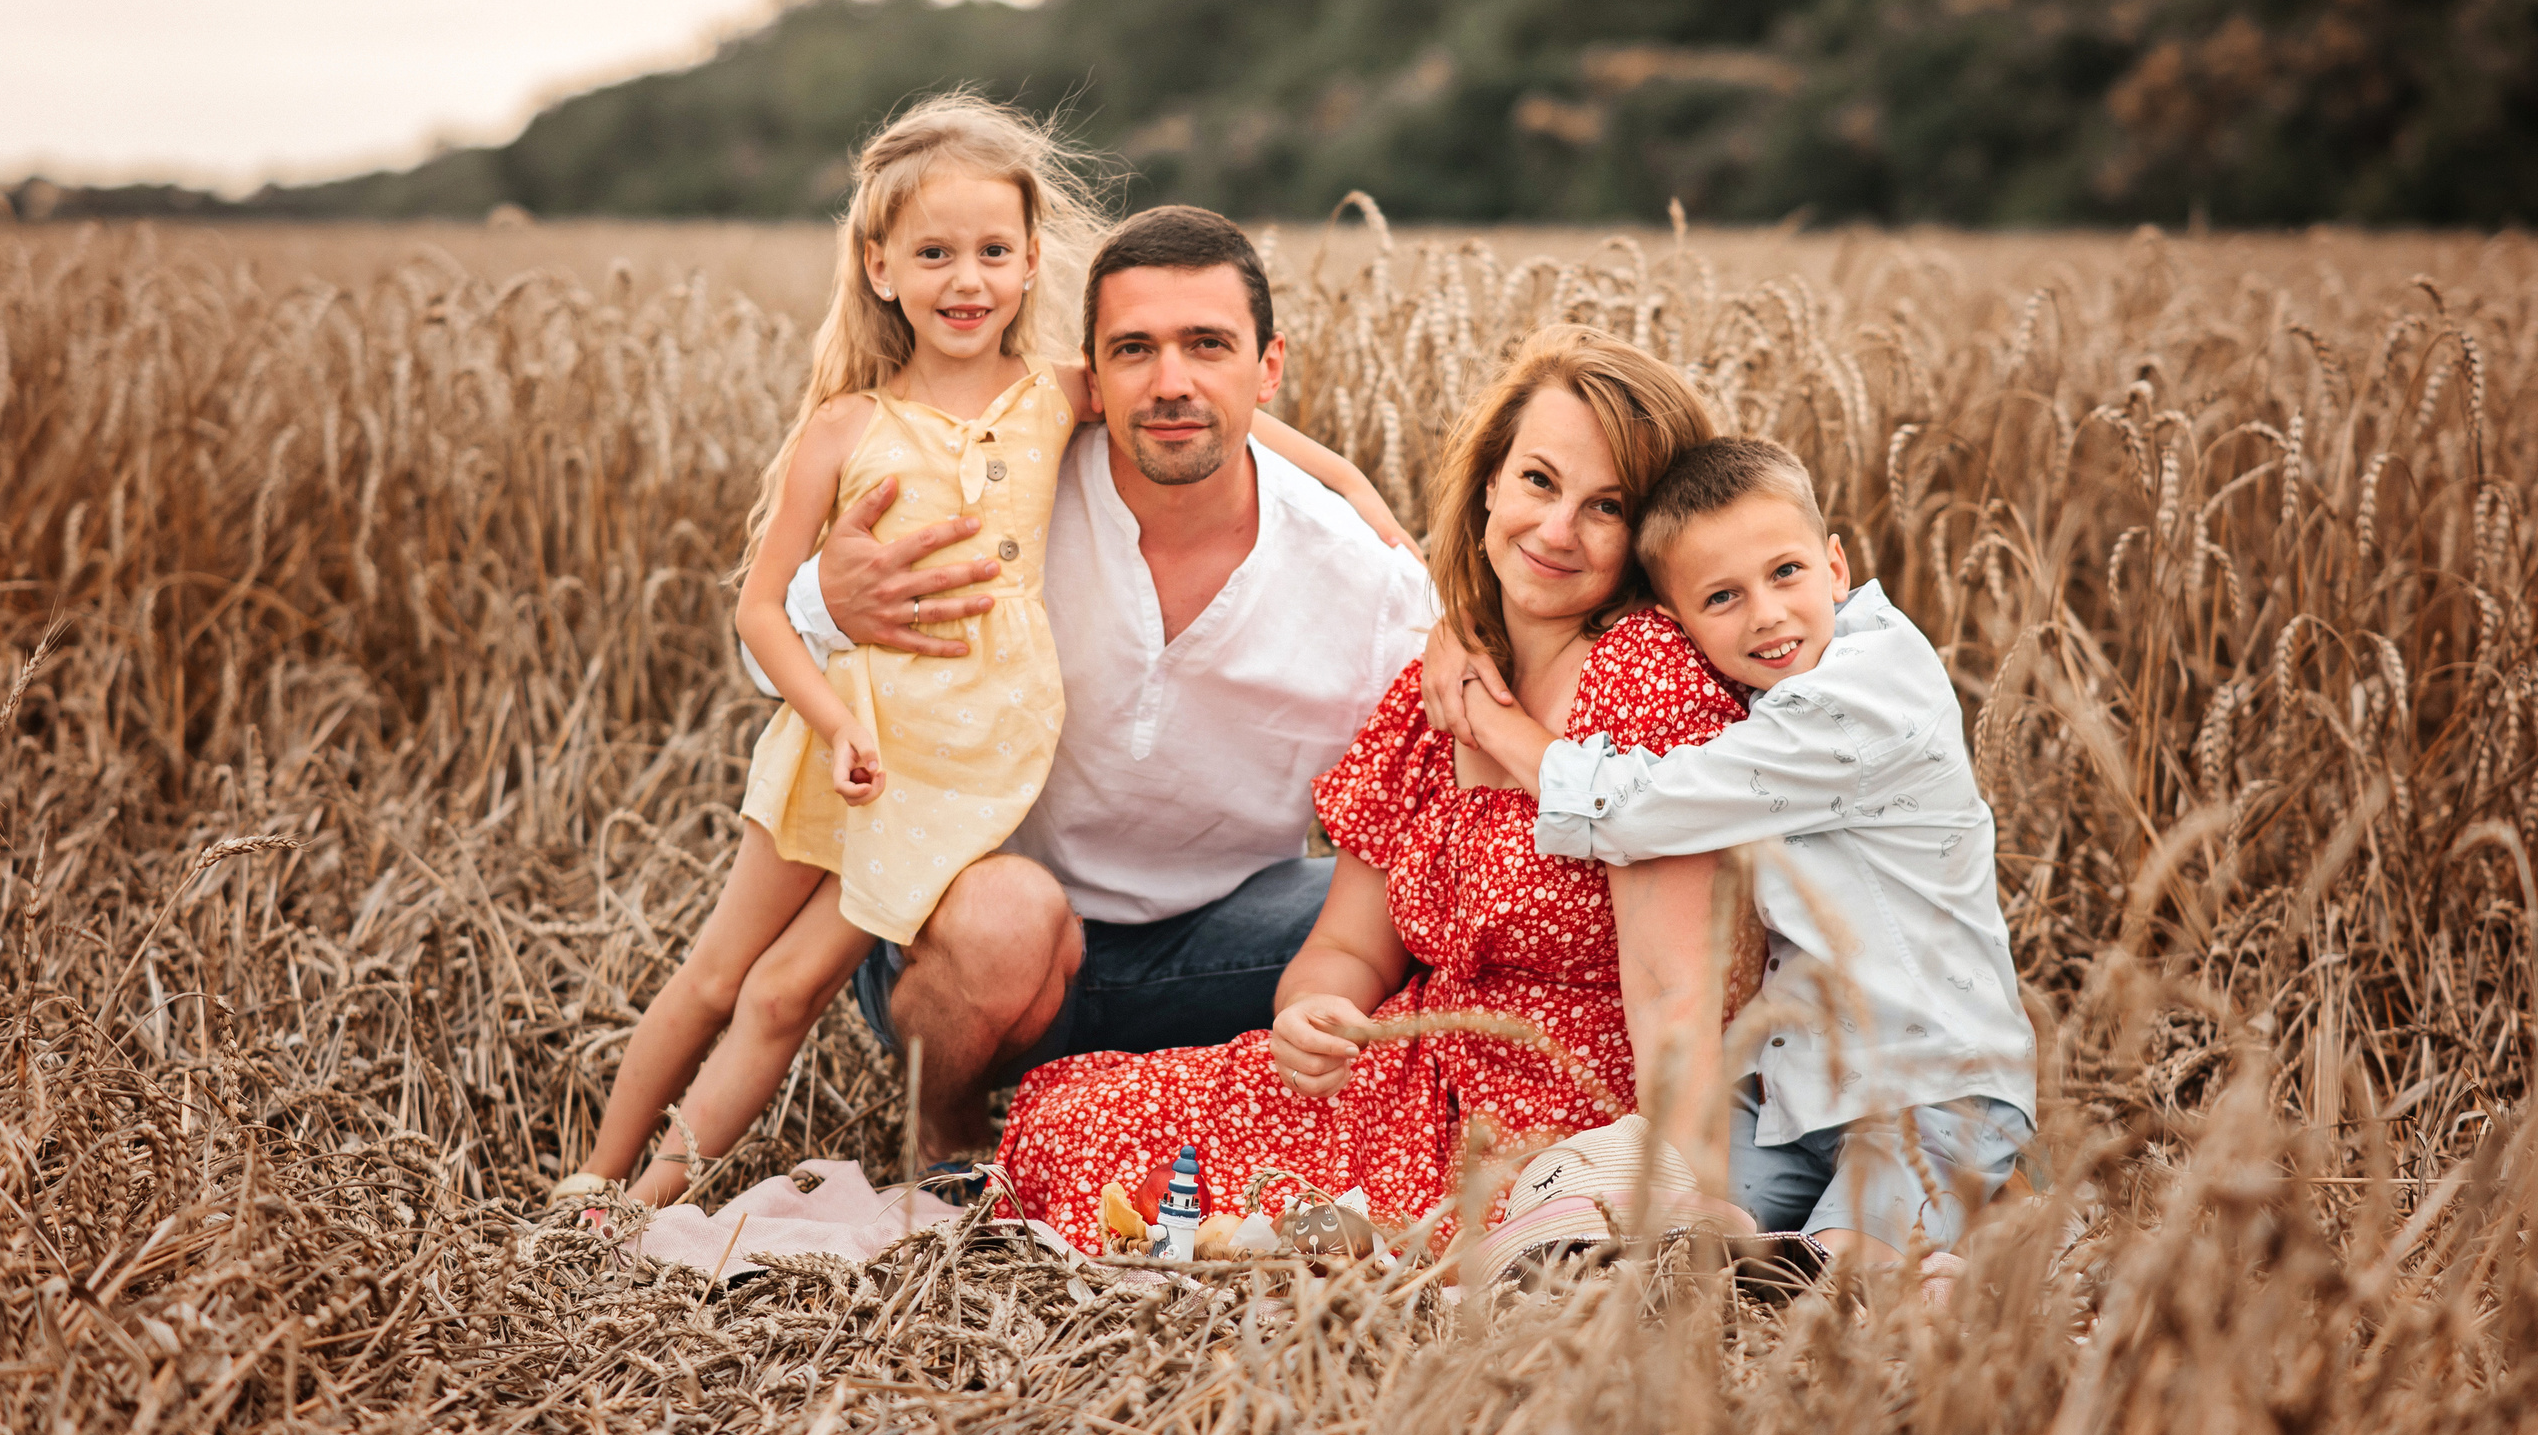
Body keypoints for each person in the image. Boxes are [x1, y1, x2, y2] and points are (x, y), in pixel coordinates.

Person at [554, 104, 1399, 1209]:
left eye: (993, 252)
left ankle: (660, 1187)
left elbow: (1210, 412)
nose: (968, 279)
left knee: (1396, 908)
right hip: (917, 817)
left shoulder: (1066, 416)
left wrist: (1362, 499)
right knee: (743, 972)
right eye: (936, 252)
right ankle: (630, 1180)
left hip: (1088, 864)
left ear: (1032, 261)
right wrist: (831, 644)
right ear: (879, 264)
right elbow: (766, 615)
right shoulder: (895, 430)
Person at [993, 330, 1773, 1252]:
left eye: (1606, 506)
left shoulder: (1643, 676)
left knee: (1454, 1236)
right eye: (1538, 481)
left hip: (1569, 1107)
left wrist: (1672, 1185)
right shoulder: (1429, 694)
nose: (1557, 529)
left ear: (1646, 537)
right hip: (1411, 1073)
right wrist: (1311, 1016)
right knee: (1070, 1115)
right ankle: (1296, 1234)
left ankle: (1324, 1240)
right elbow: (1346, 949)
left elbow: (1674, 984)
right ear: (1489, 481)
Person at [774, 201, 1437, 1175]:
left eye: (1207, 345)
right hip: (974, 937)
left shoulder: (1366, 584)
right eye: (1135, 349)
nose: (1171, 383)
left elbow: (1443, 800)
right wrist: (825, 605)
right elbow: (770, 659)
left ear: (1269, 366)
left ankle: (1223, 1106)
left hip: (1223, 945)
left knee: (1418, 901)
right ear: (1090, 372)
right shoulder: (1004, 495)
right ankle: (945, 1127)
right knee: (1009, 914)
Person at [1458, 436, 2039, 1276]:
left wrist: (1496, 723)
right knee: (1669, 1229)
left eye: (1787, 573)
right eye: (1722, 596)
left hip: (1934, 1088)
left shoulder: (1866, 696)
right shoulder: (1764, 686)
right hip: (1794, 1093)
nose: (1765, 613)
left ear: (1836, 566)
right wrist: (1455, 631)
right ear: (1677, 622)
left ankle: (1937, 1271)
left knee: (1838, 1273)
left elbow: (1645, 806)